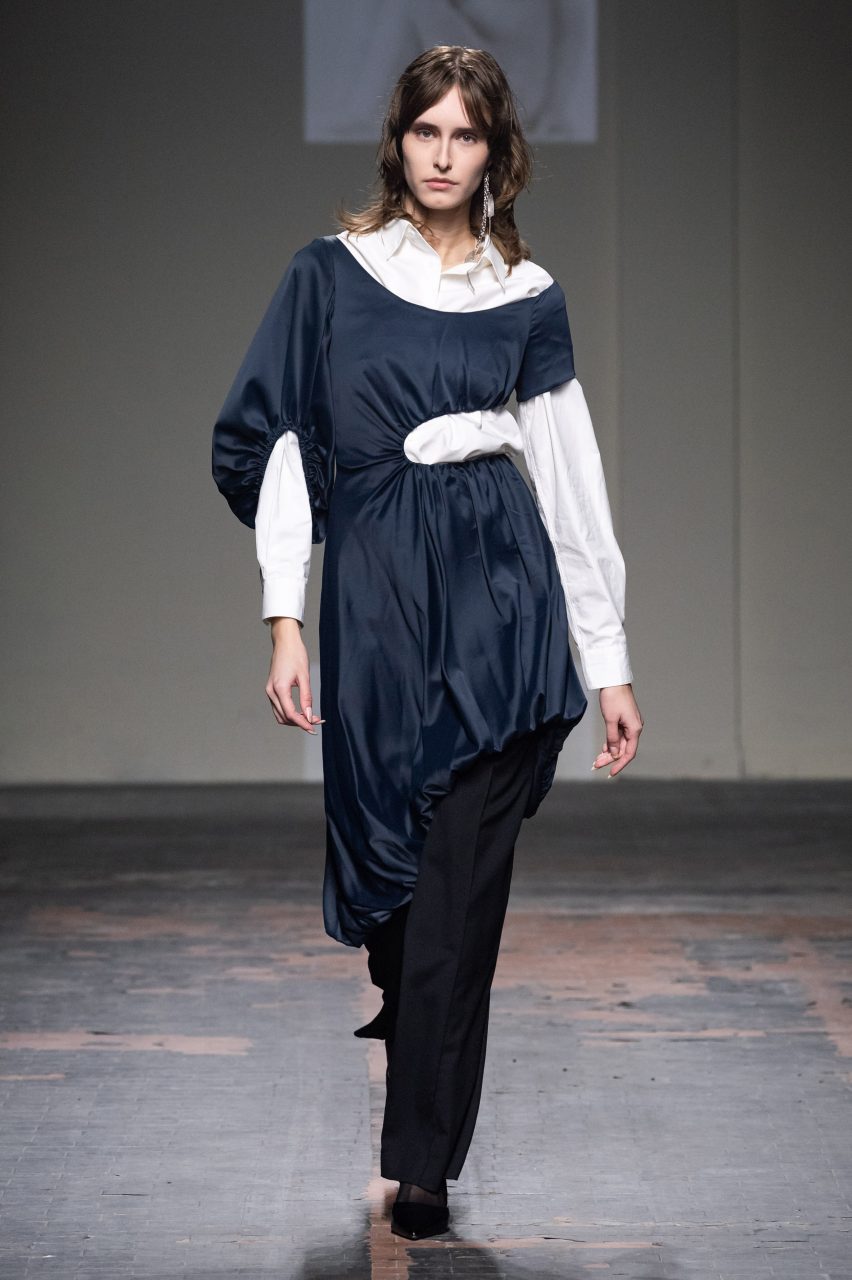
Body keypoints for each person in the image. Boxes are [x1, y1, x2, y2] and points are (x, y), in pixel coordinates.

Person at [211, 45, 644, 1241]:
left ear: (497, 151)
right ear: (397, 142)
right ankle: (406, 1002)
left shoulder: (529, 296)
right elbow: (283, 448)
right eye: (425, 132)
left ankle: (422, 1165)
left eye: (467, 135)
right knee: (401, 896)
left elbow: (571, 483)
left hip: (501, 603)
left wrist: (607, 661)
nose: (443, 155)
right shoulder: (329, 277)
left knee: (459, 891)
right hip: (380, 609)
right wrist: (285, 617)